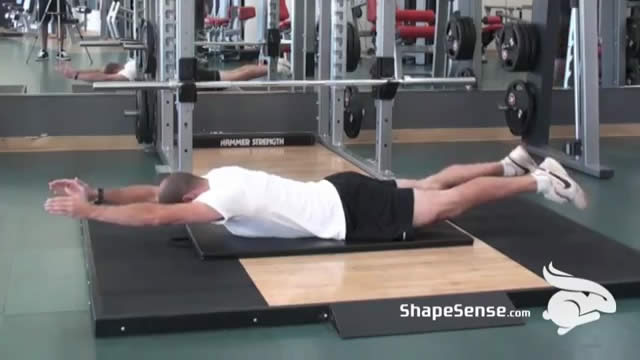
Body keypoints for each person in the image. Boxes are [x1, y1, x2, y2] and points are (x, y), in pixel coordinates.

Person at [44, 146, 586, 242]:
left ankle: (541, 180)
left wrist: (91, 209)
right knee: (428, 184)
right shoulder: (218, 176)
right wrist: (100, 190)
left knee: (448, 204)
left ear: (193, 200)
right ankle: (509, 161)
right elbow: (157, 192)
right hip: (336, 189)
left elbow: (156, 215)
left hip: (346, 211)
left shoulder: (221, 204)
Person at [57, 57, 291, 83]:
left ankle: (272, 67)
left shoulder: (128, 72)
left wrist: (76, 75)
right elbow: (100, 70)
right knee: (231, 74)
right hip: (181, 66)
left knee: (231, 76)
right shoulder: (133, 60)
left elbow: (101, 75)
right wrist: (76, 71)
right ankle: (268, 66)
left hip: (183, 75)